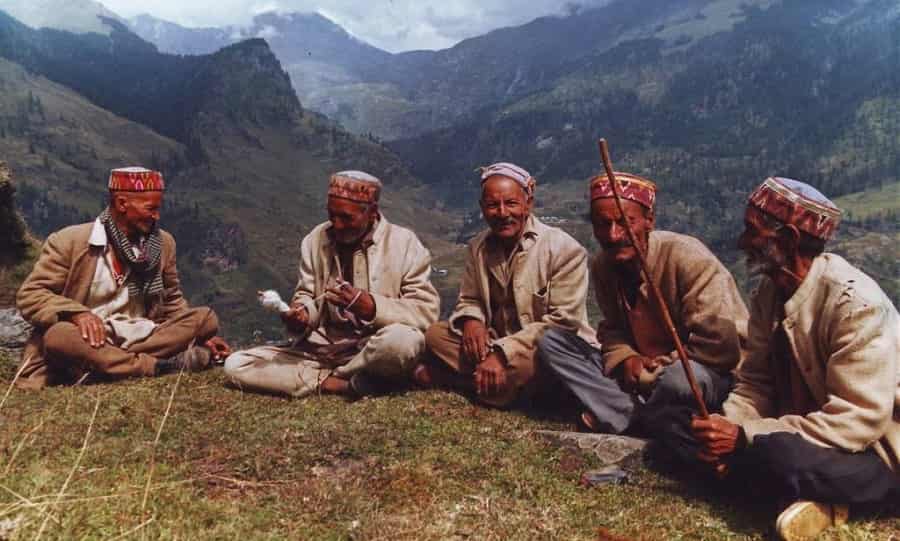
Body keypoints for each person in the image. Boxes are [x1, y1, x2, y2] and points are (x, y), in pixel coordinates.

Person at [671, 177, 899, 540]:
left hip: (872, 452)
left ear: (789, 239)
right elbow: (755, 383)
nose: (742, 242)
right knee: (679, 425)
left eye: (752, 231)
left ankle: (849, 495)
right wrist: (724, 428)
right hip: (800, 433)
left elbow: (856, 422)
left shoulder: (856, 304)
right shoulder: (770, 292)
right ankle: (804, 496)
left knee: (777, 456)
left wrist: (744, 437)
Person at [537, 172, 747, 433]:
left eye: (625, 222)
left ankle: (630, 415)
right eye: (603, 224)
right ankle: (640, 415)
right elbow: (612, 328)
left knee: (680, 380)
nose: (613, 235)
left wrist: (656, 368)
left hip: (702, 372)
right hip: (641, 374)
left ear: (649, 221)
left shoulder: (688, 257)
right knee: (552, 342)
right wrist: (626, 357)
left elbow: (719, 347)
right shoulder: (604, 265)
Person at [223, 170, 439, 398]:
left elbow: (426, 313)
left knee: (403, 343)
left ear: (372, 212)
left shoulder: (405, 244)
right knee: (236, 364)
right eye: (331, 215)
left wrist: (372, 307)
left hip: (373, 346)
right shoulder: (314, 240)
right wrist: (302, 316)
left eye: (346, 218)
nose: (337, 225)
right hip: (321, 350)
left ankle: (335, 376)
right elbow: (307, 294)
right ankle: (345, 384)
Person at [16, 167, 229, 388]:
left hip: (142, 335)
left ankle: (106, 367)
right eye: (151, 209)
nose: (156, 216)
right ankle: (155, 367)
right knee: (59, 336)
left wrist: (202, 336)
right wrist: (76, 314)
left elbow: (172, 300)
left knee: (206, 319)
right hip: (88, 338)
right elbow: (31, 295)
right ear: (121, 203)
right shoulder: (70, 241)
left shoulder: (163, 244)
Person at [415, 162, 596, 407]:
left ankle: (467, 383)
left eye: (511, 203)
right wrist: (472, 322)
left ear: (528, 203)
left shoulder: (565, 249)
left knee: (540, 365)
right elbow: (470, 299)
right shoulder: (477, 247)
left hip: (542, 349)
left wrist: (503, 353)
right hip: (494, 342)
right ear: (482, 208)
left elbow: (563, 323)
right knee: (436, 335)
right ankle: (501, 387)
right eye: (492, 205)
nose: (502, 213)